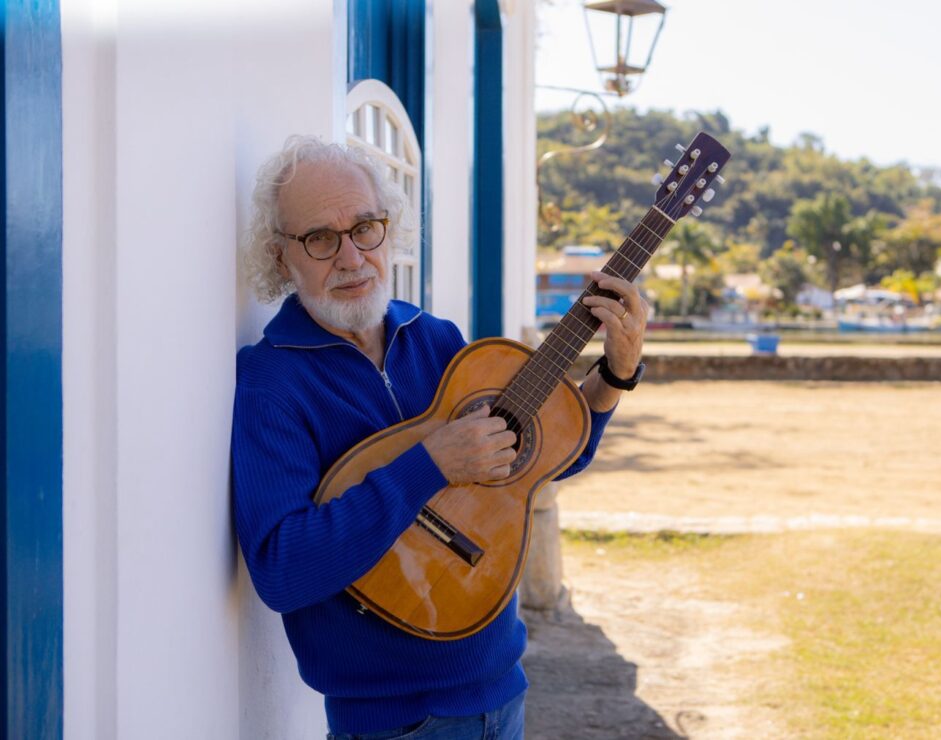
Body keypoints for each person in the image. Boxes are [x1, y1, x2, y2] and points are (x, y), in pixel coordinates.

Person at [231, 135, 647, 739]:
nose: (351, 257)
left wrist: (614, 374)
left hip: (503, 695)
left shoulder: (437, 341)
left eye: (365, 228)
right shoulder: (274, 382)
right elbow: (284, 570)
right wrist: (430, 463)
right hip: (393, 724)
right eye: (320, 239)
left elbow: (528, 470)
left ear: (388, 228)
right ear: (279, 258)